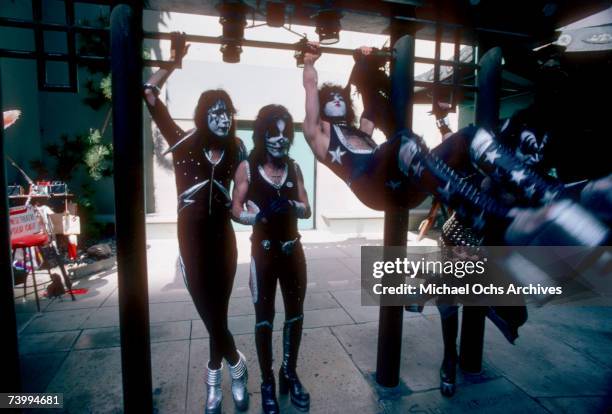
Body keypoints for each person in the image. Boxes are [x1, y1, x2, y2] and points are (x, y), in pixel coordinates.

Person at [142, 39, 248, 414]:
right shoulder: (183, 141)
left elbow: (242, 193)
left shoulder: (237, 148)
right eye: (216, 112)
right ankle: (232, 368)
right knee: (209, 311)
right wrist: (172, 61)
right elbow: (149, 93)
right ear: (204, 114)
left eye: (228, 113)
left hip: (225, 241)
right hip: (190, 241)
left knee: (217, 311)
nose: (223, 118)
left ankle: (216, 381)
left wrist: (246, 209)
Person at [232, 105, 312, 414]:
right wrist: (254, 217)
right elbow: (235, 208)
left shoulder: (294, 167)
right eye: (273, 133)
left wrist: (292, 205)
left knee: (295, 315)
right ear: (261, 135)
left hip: (293, 253)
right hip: (262, 255)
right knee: (264, 318)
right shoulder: (247, 169)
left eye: (285, 133)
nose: (280, 139)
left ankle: (288, 372)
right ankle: (267, 381)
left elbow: (306, 206)